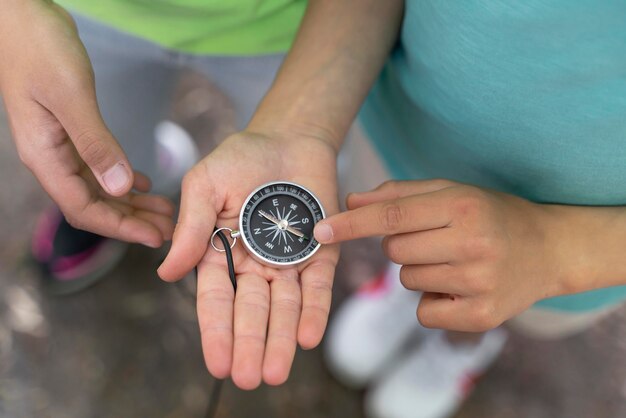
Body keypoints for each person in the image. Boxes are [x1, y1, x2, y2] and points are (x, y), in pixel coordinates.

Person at [157, 0, 626, 416]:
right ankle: (408, 290)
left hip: (587, 239)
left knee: (506, 303)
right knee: (397, 235)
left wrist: (558, 248)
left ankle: (463, 344)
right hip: (403, 136)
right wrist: (299, 126)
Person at [0, 0, 307, 294]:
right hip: (94, 14)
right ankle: (104, 204)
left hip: (290, 30)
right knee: (104, 139)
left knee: (288, 163)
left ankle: (119, 191)